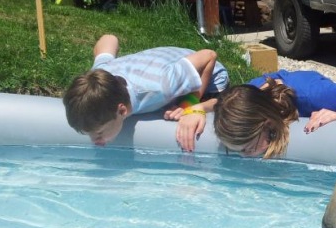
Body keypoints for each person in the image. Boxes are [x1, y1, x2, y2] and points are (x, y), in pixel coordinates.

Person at [63, 34, 228, 151]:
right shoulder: (101, 76)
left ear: (122, 110)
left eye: (99, 133)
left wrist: (190, 103)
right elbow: (108, 39)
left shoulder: (161, 87)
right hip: (157, 62)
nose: (95, 141)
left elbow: (208, 56)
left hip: (210, 77)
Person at [213, 70, 336, 158]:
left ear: (268, 125)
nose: (243, 156)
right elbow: (221, 101)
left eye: (248, 148)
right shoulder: (246, 99)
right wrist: (196, 109)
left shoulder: (312, 95)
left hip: (310, 87)